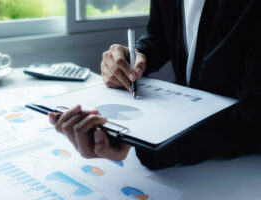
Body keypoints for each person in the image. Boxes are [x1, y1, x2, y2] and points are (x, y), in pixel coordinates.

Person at [49, 0, 261, 169]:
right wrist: (135, 56)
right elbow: (160, 34)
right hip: (196, 160)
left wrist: (146, 142)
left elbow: (254, 122)